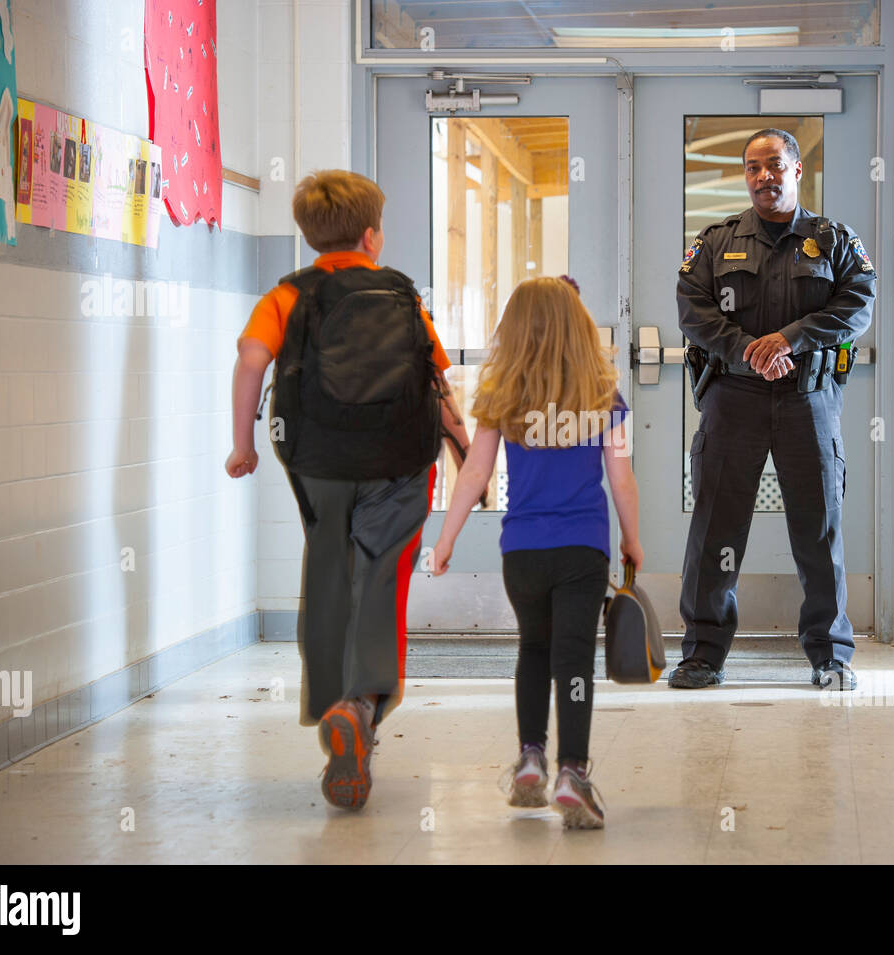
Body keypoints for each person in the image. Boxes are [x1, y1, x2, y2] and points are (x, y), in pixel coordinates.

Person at [225, 170, 472, 810]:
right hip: (399, 460)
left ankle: (333, 702)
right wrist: (465, 447)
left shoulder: (288, 294)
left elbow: (252, 361)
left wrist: (242, 443)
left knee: (329, 571)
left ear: (311, 235)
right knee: (380, 577)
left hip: (317, 461)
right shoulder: (399, 294)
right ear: (371, 236)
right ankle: (360, 707)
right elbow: (435, 380)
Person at [431, 276, 641, 830]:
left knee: (533, 650)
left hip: (521, 551)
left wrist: (446, 537)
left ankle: (530, 757)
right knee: (573, 661)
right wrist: (632, 540)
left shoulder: (504, 397)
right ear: (578, 327)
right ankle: (572, 772)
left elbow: (475, 471)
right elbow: (622, 479)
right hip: (583, 551)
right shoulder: (604, 396)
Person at [673, 128, 876, 692]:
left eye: (774, 165)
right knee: (716, 527)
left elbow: (858, 303)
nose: (764, 176)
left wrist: (788, 339)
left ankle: (831, 655)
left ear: (796, 169)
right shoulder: (716, 242)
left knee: (819, 529)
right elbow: (692, 311)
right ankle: (702, 655)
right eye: (753, 167)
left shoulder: (833, 239)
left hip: (807, 397)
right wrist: (747, 350)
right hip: (732, 398)